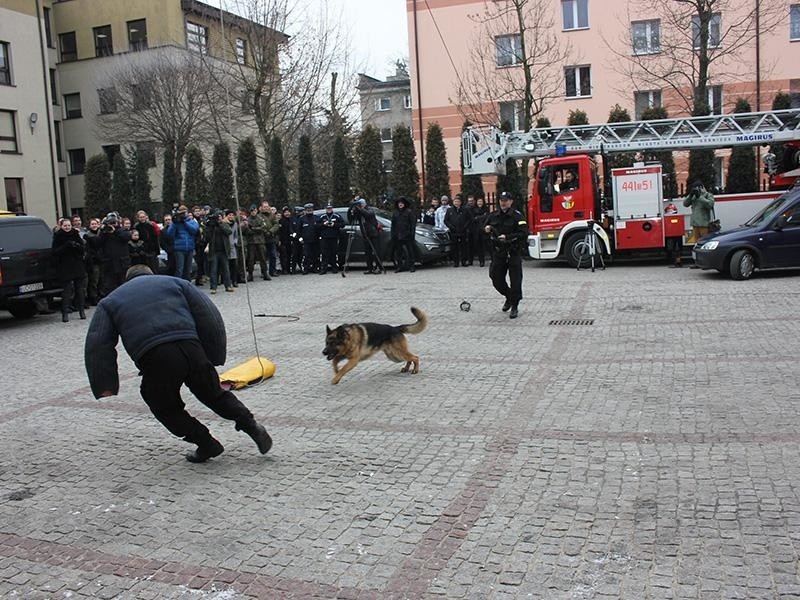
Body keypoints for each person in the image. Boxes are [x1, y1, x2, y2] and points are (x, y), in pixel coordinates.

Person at [84, 265, 272, 463]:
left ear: (127, 280)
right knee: (214, 393)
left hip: (155, 355)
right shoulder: (175, 283)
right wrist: (213, 355)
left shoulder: (110, 301)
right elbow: (208, 315)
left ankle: (206, 442)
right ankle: (251, 425)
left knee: (164, 406)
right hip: (191, 347)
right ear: (152, 275)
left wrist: (105, 385)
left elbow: (98, 343)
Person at [484, 191, 528, 319]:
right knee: (495, 277)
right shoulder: (493, 215)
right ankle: (509, 296)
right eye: (501, 200)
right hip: (499, 252)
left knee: (515, 280)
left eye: (506, 200)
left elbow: (524, 232)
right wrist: (486, 228)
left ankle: (514, 305)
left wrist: (508, 237)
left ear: (511, 201)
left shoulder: (517, 216)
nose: (503, 202)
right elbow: (484, 226)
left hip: (513, 251)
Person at [52, 217, 87, 322]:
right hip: (65, 266)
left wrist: (76, 246)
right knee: (66, 291)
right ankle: (65, 313)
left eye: (68, 225)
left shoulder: (75, 234)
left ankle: (81, 310)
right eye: (65, 226)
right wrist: (66, 246)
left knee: (80, 289)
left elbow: (83, 248)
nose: (67, 227)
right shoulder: (58, 236)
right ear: (61, 226)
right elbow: (54, 252)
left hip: (77, 264)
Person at [91, 212, 131, 297]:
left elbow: (126, 237)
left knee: (124, 285)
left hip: (122, 264)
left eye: (114, 222)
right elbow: (97, 243)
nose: (112, 224)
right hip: (109, 265)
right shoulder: (105, 232)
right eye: (111, 223)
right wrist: (102, 230)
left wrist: (115, 231)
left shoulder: (122, 230)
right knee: (109, 287)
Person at [683, 181, 715, 263]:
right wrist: (690, 195)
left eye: (698, 188)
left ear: (702, 187)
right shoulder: (693, 196)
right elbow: (685, 204)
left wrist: (700, 196)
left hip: (704, 224)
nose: (697, 189)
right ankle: (698, 261)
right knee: (697, 244)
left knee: (705, 244)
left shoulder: (708, 195)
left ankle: (707, 261)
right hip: (695, 224)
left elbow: (710, 204)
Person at [349, 197, 382, 274]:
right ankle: (370, 268)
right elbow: (351, 219)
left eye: (360, 204)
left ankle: (378, 267)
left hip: (373, 234)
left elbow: (368, 214)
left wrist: (359, 208)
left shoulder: (369, 209)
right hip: (365, 234)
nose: (360, 206)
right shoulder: (359, 212)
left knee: (376, 251)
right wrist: (351, 208)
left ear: (364, 204)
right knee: (368, 253)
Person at [206, 209, 234, 294]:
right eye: (217, 217)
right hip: (214, 250)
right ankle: (213, 287)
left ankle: (228, 285)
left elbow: (229, 231)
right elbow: (207, 236)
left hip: (224, 250)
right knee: (214, 269)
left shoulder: (224, 224)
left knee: (226, 269)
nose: (218, 218)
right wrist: (211, 225)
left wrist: (220, 223)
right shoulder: (212, 225)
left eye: (220, 217)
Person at [167, 205, 199, 281]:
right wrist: (174, 223)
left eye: (184, 213)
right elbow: (169, 234)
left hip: (189, 248)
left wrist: (184, 222)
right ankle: (178, 284)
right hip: (179, 249)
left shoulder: (191, 221)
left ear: (187, 212)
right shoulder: (176, 223)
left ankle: (187, 284)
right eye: (181, 213)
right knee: (179, 269)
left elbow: (194, 230)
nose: (183, 215)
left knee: (188, 269)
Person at [243, 204, 270, 281]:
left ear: (257, 211)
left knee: (263, 258)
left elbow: (263, 228)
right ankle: (250, 274)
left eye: (254, 211)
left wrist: (253, 228)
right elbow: (247, 231)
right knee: (251, 259)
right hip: (251, 242)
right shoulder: (248, 220)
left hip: (260, 241)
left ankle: (265, 273)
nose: (253, 212)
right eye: (252, 211)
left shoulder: (260, 219)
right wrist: (254, 229)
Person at [444, 194, 472, 267]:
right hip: (454, 232)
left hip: (463, 231)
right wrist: (451, 227)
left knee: (464, 247)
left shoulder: (465, 209)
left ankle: (464, 261)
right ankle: (456, 262)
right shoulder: (449, 210)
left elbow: (469, 219)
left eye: (458, 201)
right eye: (455, 201)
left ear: (460, 202)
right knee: (454, 247)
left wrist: (465, 227)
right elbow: (446, 220)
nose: (456, 203)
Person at [390, 197, 416, 273]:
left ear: (404, 204)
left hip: (407, 235)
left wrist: (412, 234)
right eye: (399, 203)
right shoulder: (395, 213)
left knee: (410, 251)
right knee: (398, 252)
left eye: (402, 203)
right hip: (398, 235)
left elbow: (413, 224)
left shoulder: (409, 212)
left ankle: (412, 267)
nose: (400, 204)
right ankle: (399, 267)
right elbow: (393, 225)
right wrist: (393, 235)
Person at [317, 202, 344, 274]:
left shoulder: (336, 216)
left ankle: (334, 268)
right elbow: (317, 226)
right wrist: (323, 224)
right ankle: (323, 269)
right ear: (326, 209)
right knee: (324, 253)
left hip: (334, 237)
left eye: (330, 208)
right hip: (324, 238)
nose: (329, 209)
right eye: (328, 208)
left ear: (332, 208)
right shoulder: (322, 216)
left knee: (334, 253)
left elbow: (342, 224)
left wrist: (334, 224)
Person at [298, 203, 320, 274]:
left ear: (313, 209)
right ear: (305, 210)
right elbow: (298, 230)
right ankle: (306, 268)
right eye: (308, 209)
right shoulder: (302, 219)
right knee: (306, 255)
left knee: (316, 254)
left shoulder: (316, 218)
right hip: (306, 241)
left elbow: (320, 228)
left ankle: (315, 268)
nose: (309, 210)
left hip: (315, 240)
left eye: (310, 209)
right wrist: (300, 238)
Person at [471, 197, 489, 267]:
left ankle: (492, 259)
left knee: (487, 245)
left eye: (481, 201)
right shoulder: (473, 209)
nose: (479, 203)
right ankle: (481, 261)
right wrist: (482, 216)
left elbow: (487, 217)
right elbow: (473, 219)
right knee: (479, 247)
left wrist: (478, 217)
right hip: (477, 231)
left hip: (484, 230)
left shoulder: (486, 209)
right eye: (478, 201)